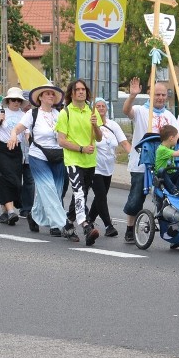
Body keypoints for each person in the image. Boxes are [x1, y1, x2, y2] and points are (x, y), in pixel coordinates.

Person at [122, 77, 179, 243]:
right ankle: (129, 229)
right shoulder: (141, 111)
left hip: (164, 165)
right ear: (150, 94)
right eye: (157, 94)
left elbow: (178, 135)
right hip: (142, 164)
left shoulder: (169, 115)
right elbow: (127, 111)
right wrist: (132, 95)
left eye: (163, 95)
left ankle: (170, 230)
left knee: (168, 197)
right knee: (136, 198)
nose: (160, 98)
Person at [8, 84, 67, 237]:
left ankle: (34, 215)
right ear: (40, 97)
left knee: (56, 189)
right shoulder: (32, 114)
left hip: (58, 154)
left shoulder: (60, 114)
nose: (50, 96)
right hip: (38, 155)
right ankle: (58, 224)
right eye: (47, 94)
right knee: (48, 188)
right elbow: (17, 129)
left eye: (53, 94)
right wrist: (13, 135)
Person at [56, 79, 103, 245]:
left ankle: (68, 225)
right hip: (73, 160)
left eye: (83, 89)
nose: (81, 92)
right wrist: (81, 148)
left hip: (90, 161)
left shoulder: (92, 111)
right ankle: (86, 226)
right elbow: (61, 141)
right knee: (80, 193)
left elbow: (99, 137)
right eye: (78, 90)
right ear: (72, 93)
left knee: (80, 195)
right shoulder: (65, 113)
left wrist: (95, 125)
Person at [89, 97, 132, 237]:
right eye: (98, 106)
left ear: (107, 108)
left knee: (100, 197)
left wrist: (133, 155)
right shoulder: (89, 124)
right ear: (93, 108)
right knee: (101, 196)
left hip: (109, 167)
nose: (101, 108)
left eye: (103, 106)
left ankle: (89, 220)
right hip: (94, 166)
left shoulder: (113, 125)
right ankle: (108, 225)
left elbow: (124, 142)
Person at [0, 87, 26, 225]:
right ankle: (10, 211)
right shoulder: (0, 112)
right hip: (1, 149)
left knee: (16, 182)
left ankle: (5, 212)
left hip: (16, 149)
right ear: (8, 101)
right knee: (3, 179)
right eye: (13, 100)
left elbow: (27, 133)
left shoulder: (24, 115)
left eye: (19, 100)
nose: (16, 102)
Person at [155, 125, 179, 195]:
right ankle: (174, 190)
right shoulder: (162, 149)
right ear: (171, 138)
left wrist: (178, 135)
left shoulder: (169, 146)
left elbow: (178, 135)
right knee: (162, 170)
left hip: (171, 173)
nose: (177, 140)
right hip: (163, 176)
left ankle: (178, 189)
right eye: (176, 138)